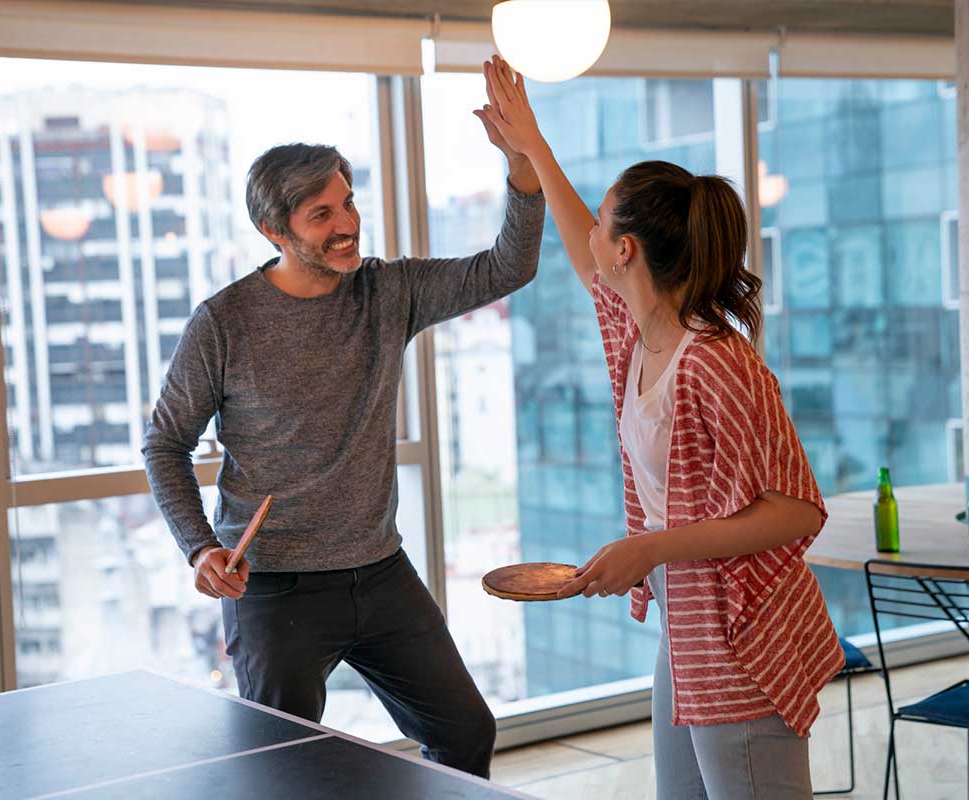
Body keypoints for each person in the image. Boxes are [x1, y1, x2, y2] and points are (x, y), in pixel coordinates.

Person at [476, 55, 843, 798]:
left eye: (608, 225)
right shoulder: (638, 330)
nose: (594, 240)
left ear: (628, 251)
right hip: (690, 624)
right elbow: (582, 247)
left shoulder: (714, 362)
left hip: (739, 634)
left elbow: (798, 508)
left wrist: (649, 547)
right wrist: (533, 148)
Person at [142, 116, 545, 778]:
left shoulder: (388, 292)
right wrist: (200, 545)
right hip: (274, 587)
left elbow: (510, 266)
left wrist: (521, 166)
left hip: (380, 570)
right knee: (282, 771)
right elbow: (165, 444)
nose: (346, 222)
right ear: (275, 231)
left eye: (348, 202)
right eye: (321, 213)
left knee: (467, 731)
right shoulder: (224, 322)